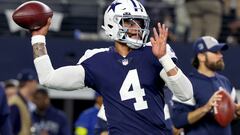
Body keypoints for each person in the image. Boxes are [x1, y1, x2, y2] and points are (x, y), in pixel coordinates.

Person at [30, 0, 193, 134]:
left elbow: (185, 94)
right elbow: (48, 78)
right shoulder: (97, 59)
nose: (136, 28)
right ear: (111, 24)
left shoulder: (154, 52)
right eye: (129, 22)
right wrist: (38, 38)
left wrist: (164, 58)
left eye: (140, 23)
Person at [171, 36, 240, 135]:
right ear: (201, 57)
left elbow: (230, 120)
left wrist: (236, 114)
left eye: (220, 52)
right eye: (215, 52)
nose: (220, 56)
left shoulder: (226, 82)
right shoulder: (188, 83)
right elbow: (177, 121)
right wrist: (205, 108)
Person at [9, 69, 38, 135]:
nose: (36, 84)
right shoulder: (15, 103)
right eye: (35, 81)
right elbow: (9, 130)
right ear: (29, 83)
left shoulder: (23, 102)